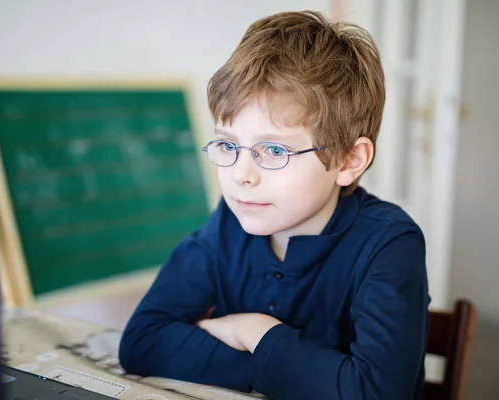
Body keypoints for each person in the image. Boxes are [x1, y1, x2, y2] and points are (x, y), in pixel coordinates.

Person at [119, 10, 430, 400]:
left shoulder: (389, 243)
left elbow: (375, 394)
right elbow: (142, 342)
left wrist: (254, 332)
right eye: (229, 145)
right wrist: (288, 370)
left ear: (349, 161)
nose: (241, 174)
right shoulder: (230, 222)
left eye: (274, 149)